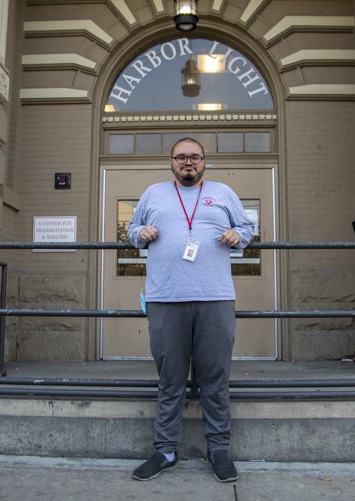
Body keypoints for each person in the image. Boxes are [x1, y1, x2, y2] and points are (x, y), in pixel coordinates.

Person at [128, 137, 254, 483]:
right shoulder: (153, 193)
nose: (188, 162)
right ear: (171, 162)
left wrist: (237, 236)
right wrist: (142, 232)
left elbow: (248, 229)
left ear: (204, 162)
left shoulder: (223, 192)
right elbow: (131, 231)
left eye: (194, 157)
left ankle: (219, 449)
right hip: (165, 298)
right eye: (181, 157)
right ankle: (165, 450)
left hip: (215, 298)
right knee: (170, 379)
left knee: (215, 379)